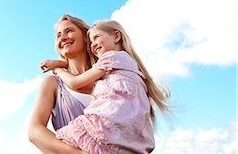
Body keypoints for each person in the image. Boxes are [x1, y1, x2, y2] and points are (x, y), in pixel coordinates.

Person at [47, 20, 171, 153]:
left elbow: (74, 83)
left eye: (96, 38)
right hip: (124, 138)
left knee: (61, 140)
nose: (93, 44)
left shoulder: (109, 58)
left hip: (103, 126)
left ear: (116, 36)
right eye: (91, 42)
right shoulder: (130, 66)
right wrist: (64, 64)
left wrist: (58, 69)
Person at [28, 15, 97, 154]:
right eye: (58, 35)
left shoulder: (108, 78)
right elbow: (34, 131)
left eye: (69, 31)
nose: (63, 37)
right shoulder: (53, 83)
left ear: (85, 37)